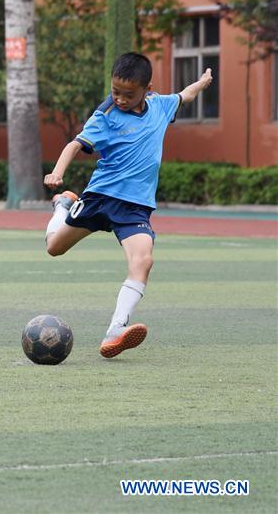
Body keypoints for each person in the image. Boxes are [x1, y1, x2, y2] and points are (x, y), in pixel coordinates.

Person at [44, 52, 213, 358]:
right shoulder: (105, 116)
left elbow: (184, 96)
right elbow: (74, 145)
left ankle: (115, 331)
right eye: (115, 92)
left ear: (148, 89)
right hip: (100, 198)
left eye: (128, 94)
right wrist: (58, 172)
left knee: (143, 260)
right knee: (54, 248)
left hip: (135, 207)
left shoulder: (161, 106)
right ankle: (62, 206)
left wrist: (201, 83)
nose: (120, 99)